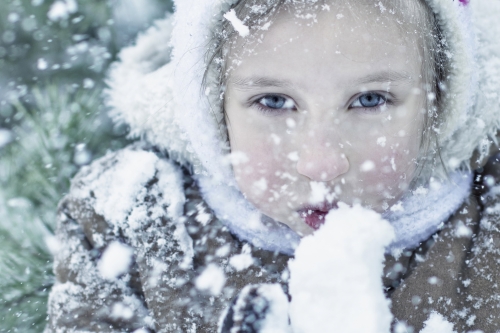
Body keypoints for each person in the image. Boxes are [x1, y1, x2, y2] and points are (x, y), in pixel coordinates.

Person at [44, 0, 500, 332]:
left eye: (370, 99)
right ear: (213, 105)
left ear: (439, 101)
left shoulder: (489, 232)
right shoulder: (131, 219)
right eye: (274, 102)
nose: (321, 164)